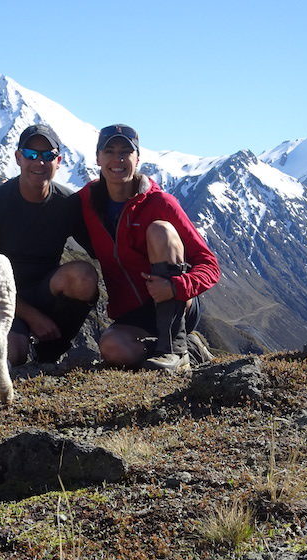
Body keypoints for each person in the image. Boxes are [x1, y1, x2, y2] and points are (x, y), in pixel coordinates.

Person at [78, 124, 220, 373]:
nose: (117, 159)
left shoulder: (160, 203)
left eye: (125, 152)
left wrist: (176, 287)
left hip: (176, 300)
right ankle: (192, 347)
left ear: (137, 158)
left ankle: (175, 349)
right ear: (98, 158)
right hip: (132, 313)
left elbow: (209, 264)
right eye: (109, 151)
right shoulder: (87, 201)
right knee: (113, 349)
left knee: (160, 230)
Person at [0, 123, 98, 368]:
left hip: (46, 291)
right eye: (30, 155)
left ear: (58, 161)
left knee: (83, 275)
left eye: (47, 156)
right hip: (1, 299)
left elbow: (99, 250)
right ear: (18, 158)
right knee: (8, 354)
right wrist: (33, 316)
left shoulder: (67, 203)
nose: (39, 163)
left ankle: (50, 354)